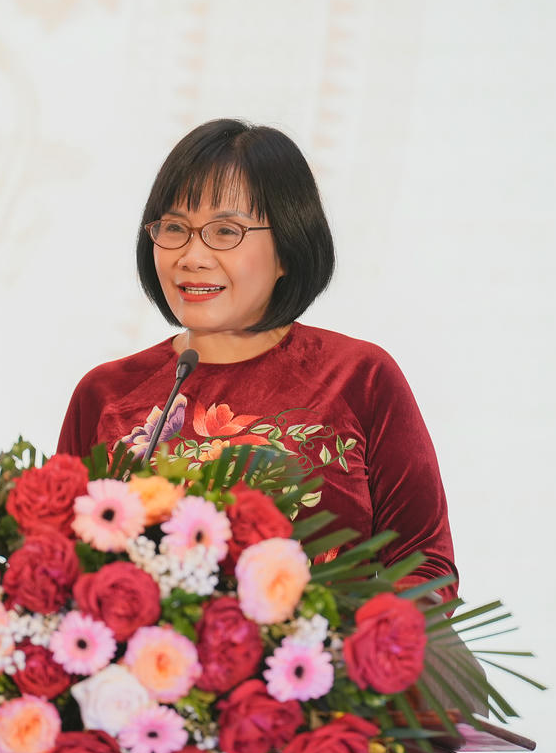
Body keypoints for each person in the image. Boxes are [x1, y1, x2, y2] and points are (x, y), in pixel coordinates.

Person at [56, 118, 457, 599]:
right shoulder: (106, 394)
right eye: (175, 228)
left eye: (225, 231)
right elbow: (61, 561)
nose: (192, 257)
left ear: (288, 246)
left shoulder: (359, 377)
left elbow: (424, 564)